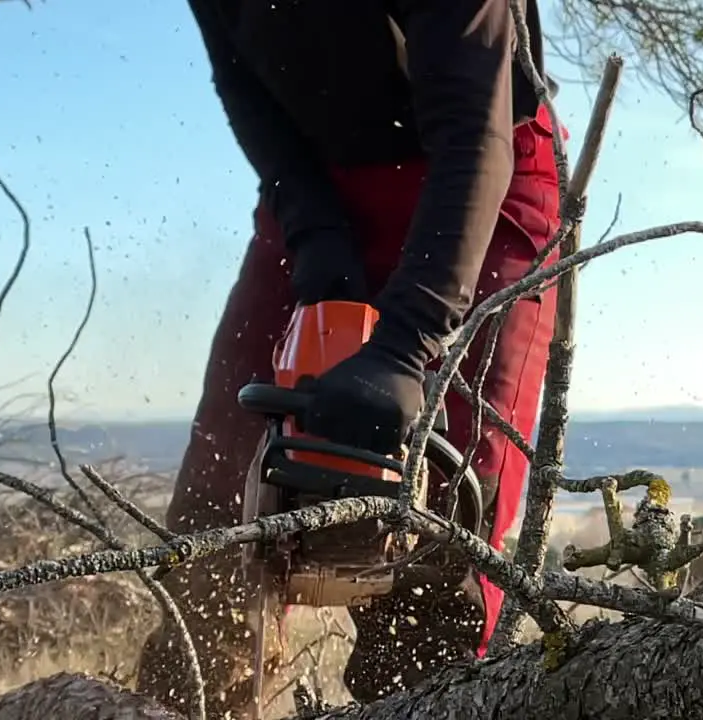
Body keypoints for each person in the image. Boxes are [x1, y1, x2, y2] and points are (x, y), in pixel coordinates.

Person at [135, 0, 564, 716]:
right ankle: (195, 694)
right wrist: (316, 236)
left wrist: (407, 343)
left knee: (449, 513)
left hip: (477, 171)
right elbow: (242, 87)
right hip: (321, 187)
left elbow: (473, 128)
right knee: (218, 506)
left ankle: (424, 690)